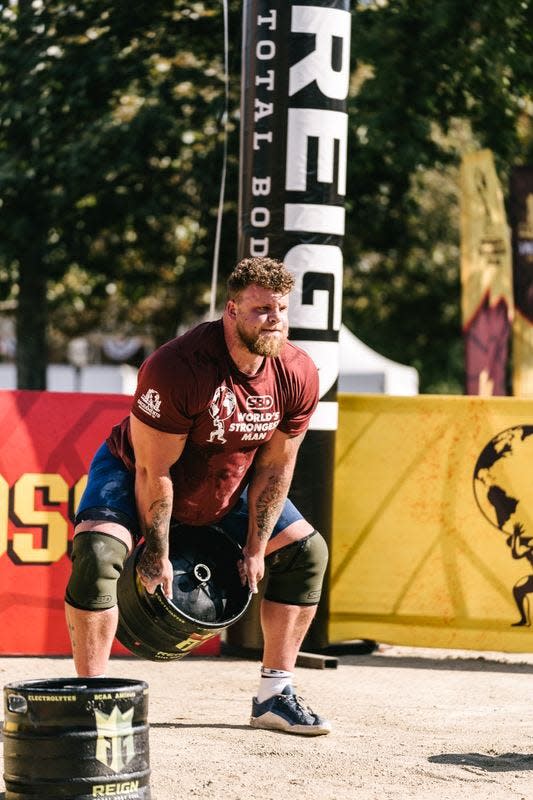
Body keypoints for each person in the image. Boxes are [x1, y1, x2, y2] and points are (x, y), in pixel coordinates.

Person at [65, 256, 331, 736]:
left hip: (227, 484)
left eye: (281, 309)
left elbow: (276, 467)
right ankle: (92, 698)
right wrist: (157, 551)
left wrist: (254, 547)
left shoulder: (296, 373)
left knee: (306, 553)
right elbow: (155, 469)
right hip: (138, 473)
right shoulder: (179, 366)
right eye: (260, 309)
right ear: (231, 311)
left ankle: (275, 696)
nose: (275, 319)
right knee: (97, 552)